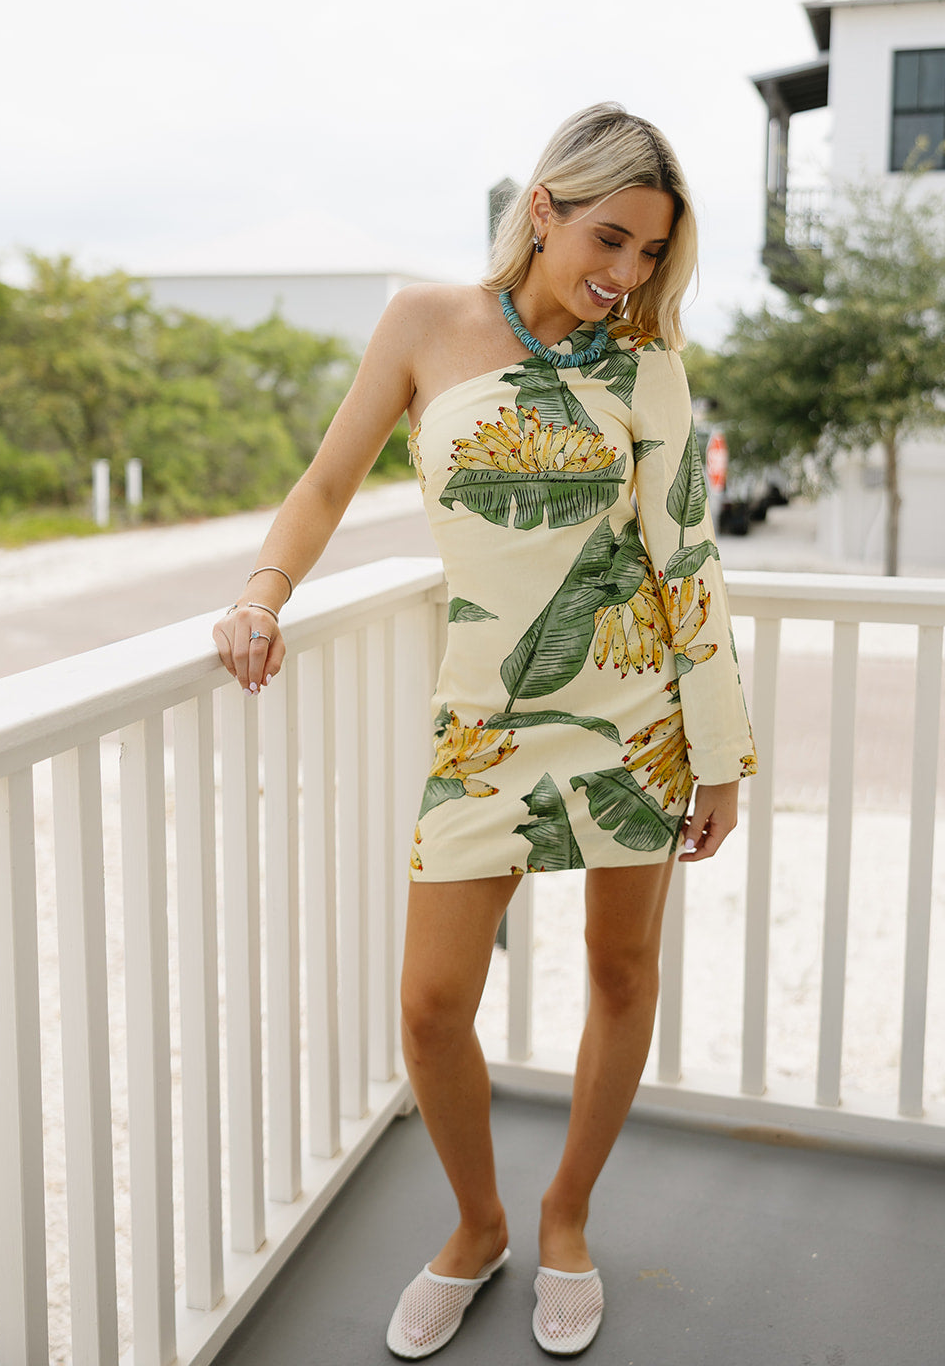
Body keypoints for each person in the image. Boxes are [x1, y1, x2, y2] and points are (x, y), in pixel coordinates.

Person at [213, 102, 755, 1358]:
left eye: (648, 254)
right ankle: (476, 1224)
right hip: (486, 726)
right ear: (543, 209)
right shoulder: (422, 322)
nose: (624, 275)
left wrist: (722, 756)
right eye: (609, 239)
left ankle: (566, 1216)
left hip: (635, 715)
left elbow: (686, 561)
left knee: (620, 972)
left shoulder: (647, 364)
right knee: (429, 1003)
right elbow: (326, 481)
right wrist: (262, 593)